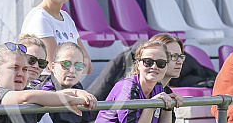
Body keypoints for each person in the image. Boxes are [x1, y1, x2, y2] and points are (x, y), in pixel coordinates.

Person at [87, 35, 217, 101]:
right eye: (173, 56)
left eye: (181, 56)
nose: (180, 62)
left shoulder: (164, 90)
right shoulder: (131, 90)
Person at [20, 0, 90, 72]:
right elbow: (55, 68)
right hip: (45, 86)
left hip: (66, 85)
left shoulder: (66, 18)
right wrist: (77, 64)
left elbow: (88, 66)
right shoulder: (40, 18)